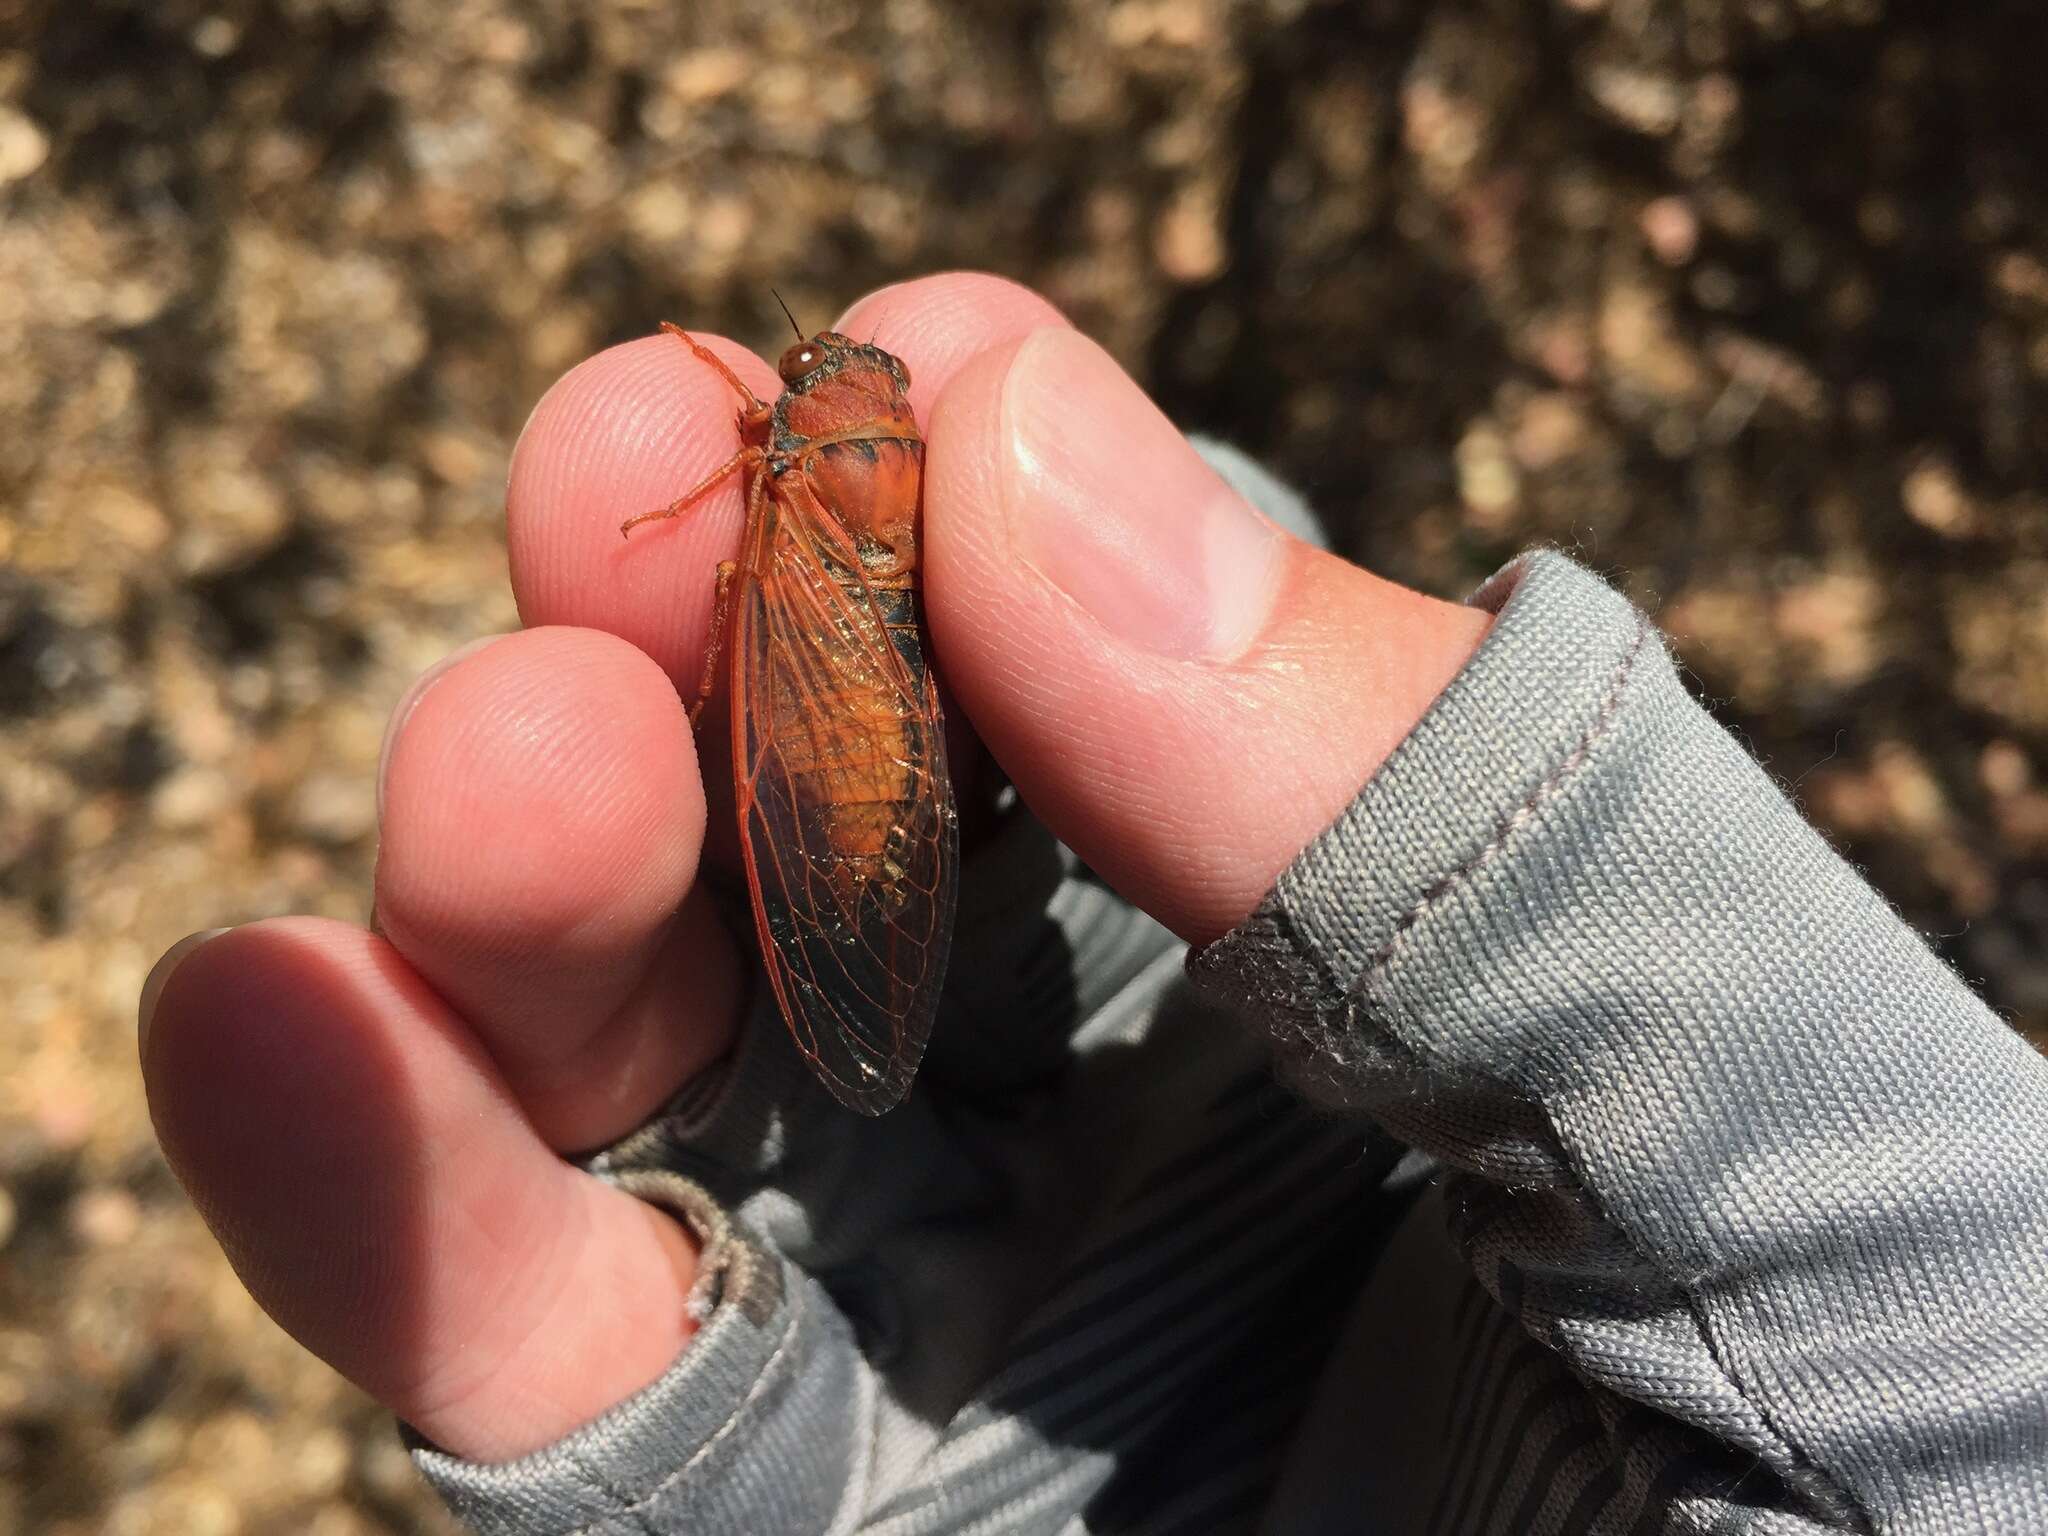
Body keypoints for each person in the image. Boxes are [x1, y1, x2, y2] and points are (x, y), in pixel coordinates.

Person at [138, 274, 2048, 1534]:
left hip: (821, 688)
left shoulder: (780, 465)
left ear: (802, 439)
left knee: (657, 726)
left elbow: (704, 533)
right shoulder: (838, 462)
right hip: (870, 698)